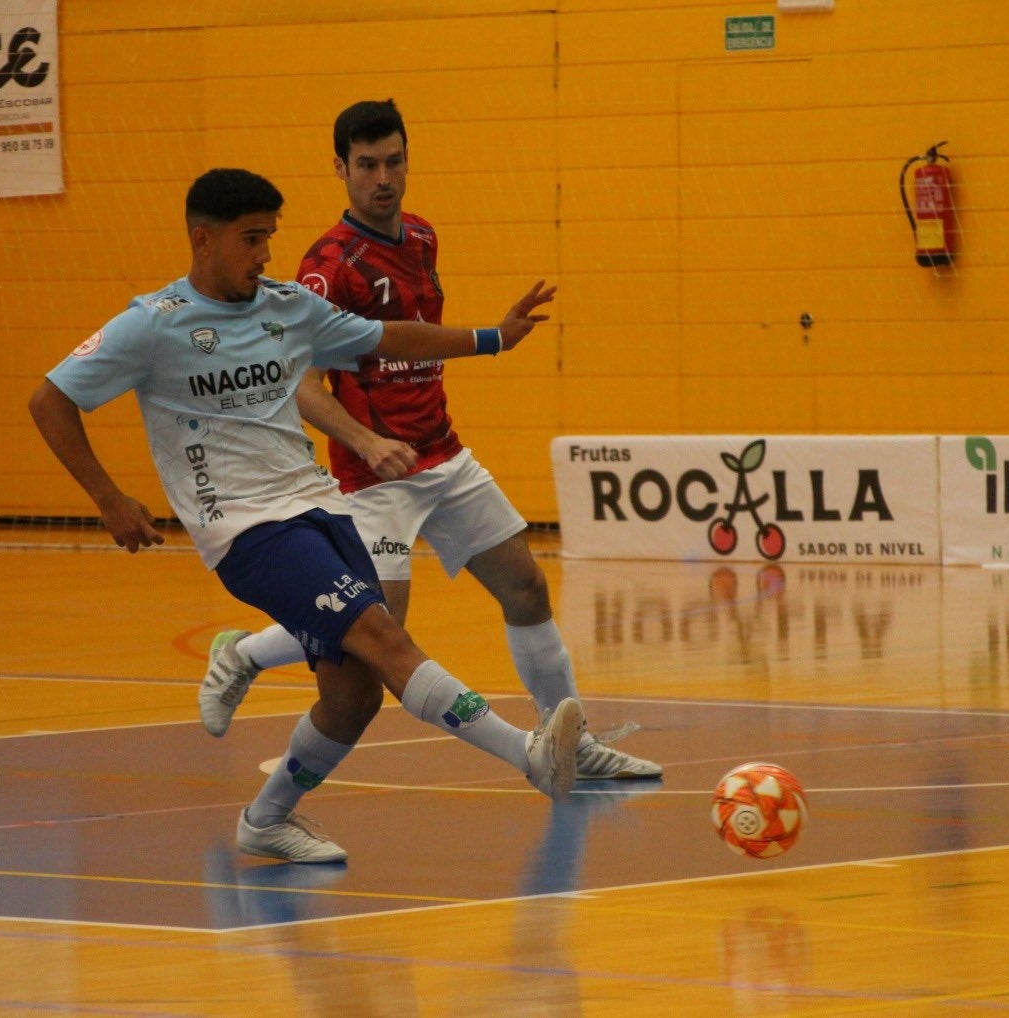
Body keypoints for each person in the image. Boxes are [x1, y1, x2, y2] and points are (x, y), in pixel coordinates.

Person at [29, 167, 584, 864]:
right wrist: (109, 499)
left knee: (354, 697)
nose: (265, 253)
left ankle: (265, 820)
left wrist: (491, 338)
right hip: (246, 530)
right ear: (203, 240)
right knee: (384, 636)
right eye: (250, 239)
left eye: (269, 236)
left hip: (320, 507)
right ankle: (529, 756)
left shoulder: (287, 306)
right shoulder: (152, 324)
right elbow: (50, 400)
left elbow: (385, 338)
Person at [198, 100, 661, 782]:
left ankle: (575, 743)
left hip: (443, 455)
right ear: (340, 169)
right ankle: (243, 654)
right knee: (375, 629)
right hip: (373, 478)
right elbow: (301, 386)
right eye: (366, 166)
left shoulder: (421, 236)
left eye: (393, 162)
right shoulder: (329, 265)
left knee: (527, 588)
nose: (382, 178)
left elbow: (411, 341)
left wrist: (494, 337)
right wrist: (366, 440)